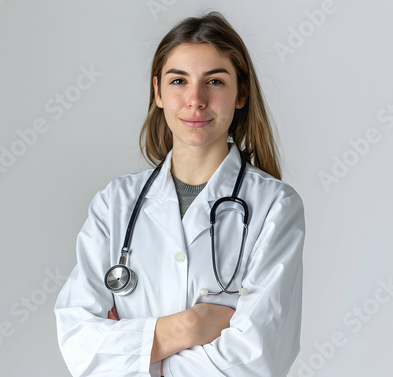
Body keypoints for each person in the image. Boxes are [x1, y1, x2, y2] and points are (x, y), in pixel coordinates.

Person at [54, 11, 305, 377]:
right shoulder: (115, 203)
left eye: (215, 81)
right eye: (178, 81)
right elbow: (79, 342)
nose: (195, 99)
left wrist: (135, 350)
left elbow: (257, 358)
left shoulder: (274, 207)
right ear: (157, 92)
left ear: (241, 94)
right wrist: (192, 324)